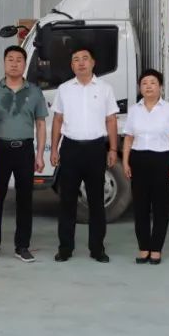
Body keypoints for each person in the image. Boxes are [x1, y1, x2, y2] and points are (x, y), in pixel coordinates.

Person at [50, 45, 119, 263]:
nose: (81, 62)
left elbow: (111, 120)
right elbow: (58, 120)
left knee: (96, 201)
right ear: (72, 65)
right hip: (70, 148)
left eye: (85, 58)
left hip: (95, 149)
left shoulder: (105, 88)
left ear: (93, 62)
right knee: (67, 201)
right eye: (76, 59)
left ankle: (97, 248)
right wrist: (54, 148)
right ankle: (65, 248)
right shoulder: (64, 89)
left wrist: (113, 149)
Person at [0, 45, 47, 263]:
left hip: (25, 149)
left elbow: (41, 124)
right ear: (4, 63)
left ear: (24, 64)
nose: (14, 63)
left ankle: (22, 246)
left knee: (25, 199)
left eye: (19, 60)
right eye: (10, 59)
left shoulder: (34, 92)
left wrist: (40, 155)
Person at [122, 69, 169, 265]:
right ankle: (144, 248)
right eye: (144, 83)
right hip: (138, 159)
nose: (148, 86)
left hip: (161, 160)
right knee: (140, 207)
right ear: (140, 87)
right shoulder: (134, 110)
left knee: (160, 206)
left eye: (153, 82)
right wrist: (125, 162)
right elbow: (128, 138)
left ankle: (156, 249)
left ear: (160, 87)